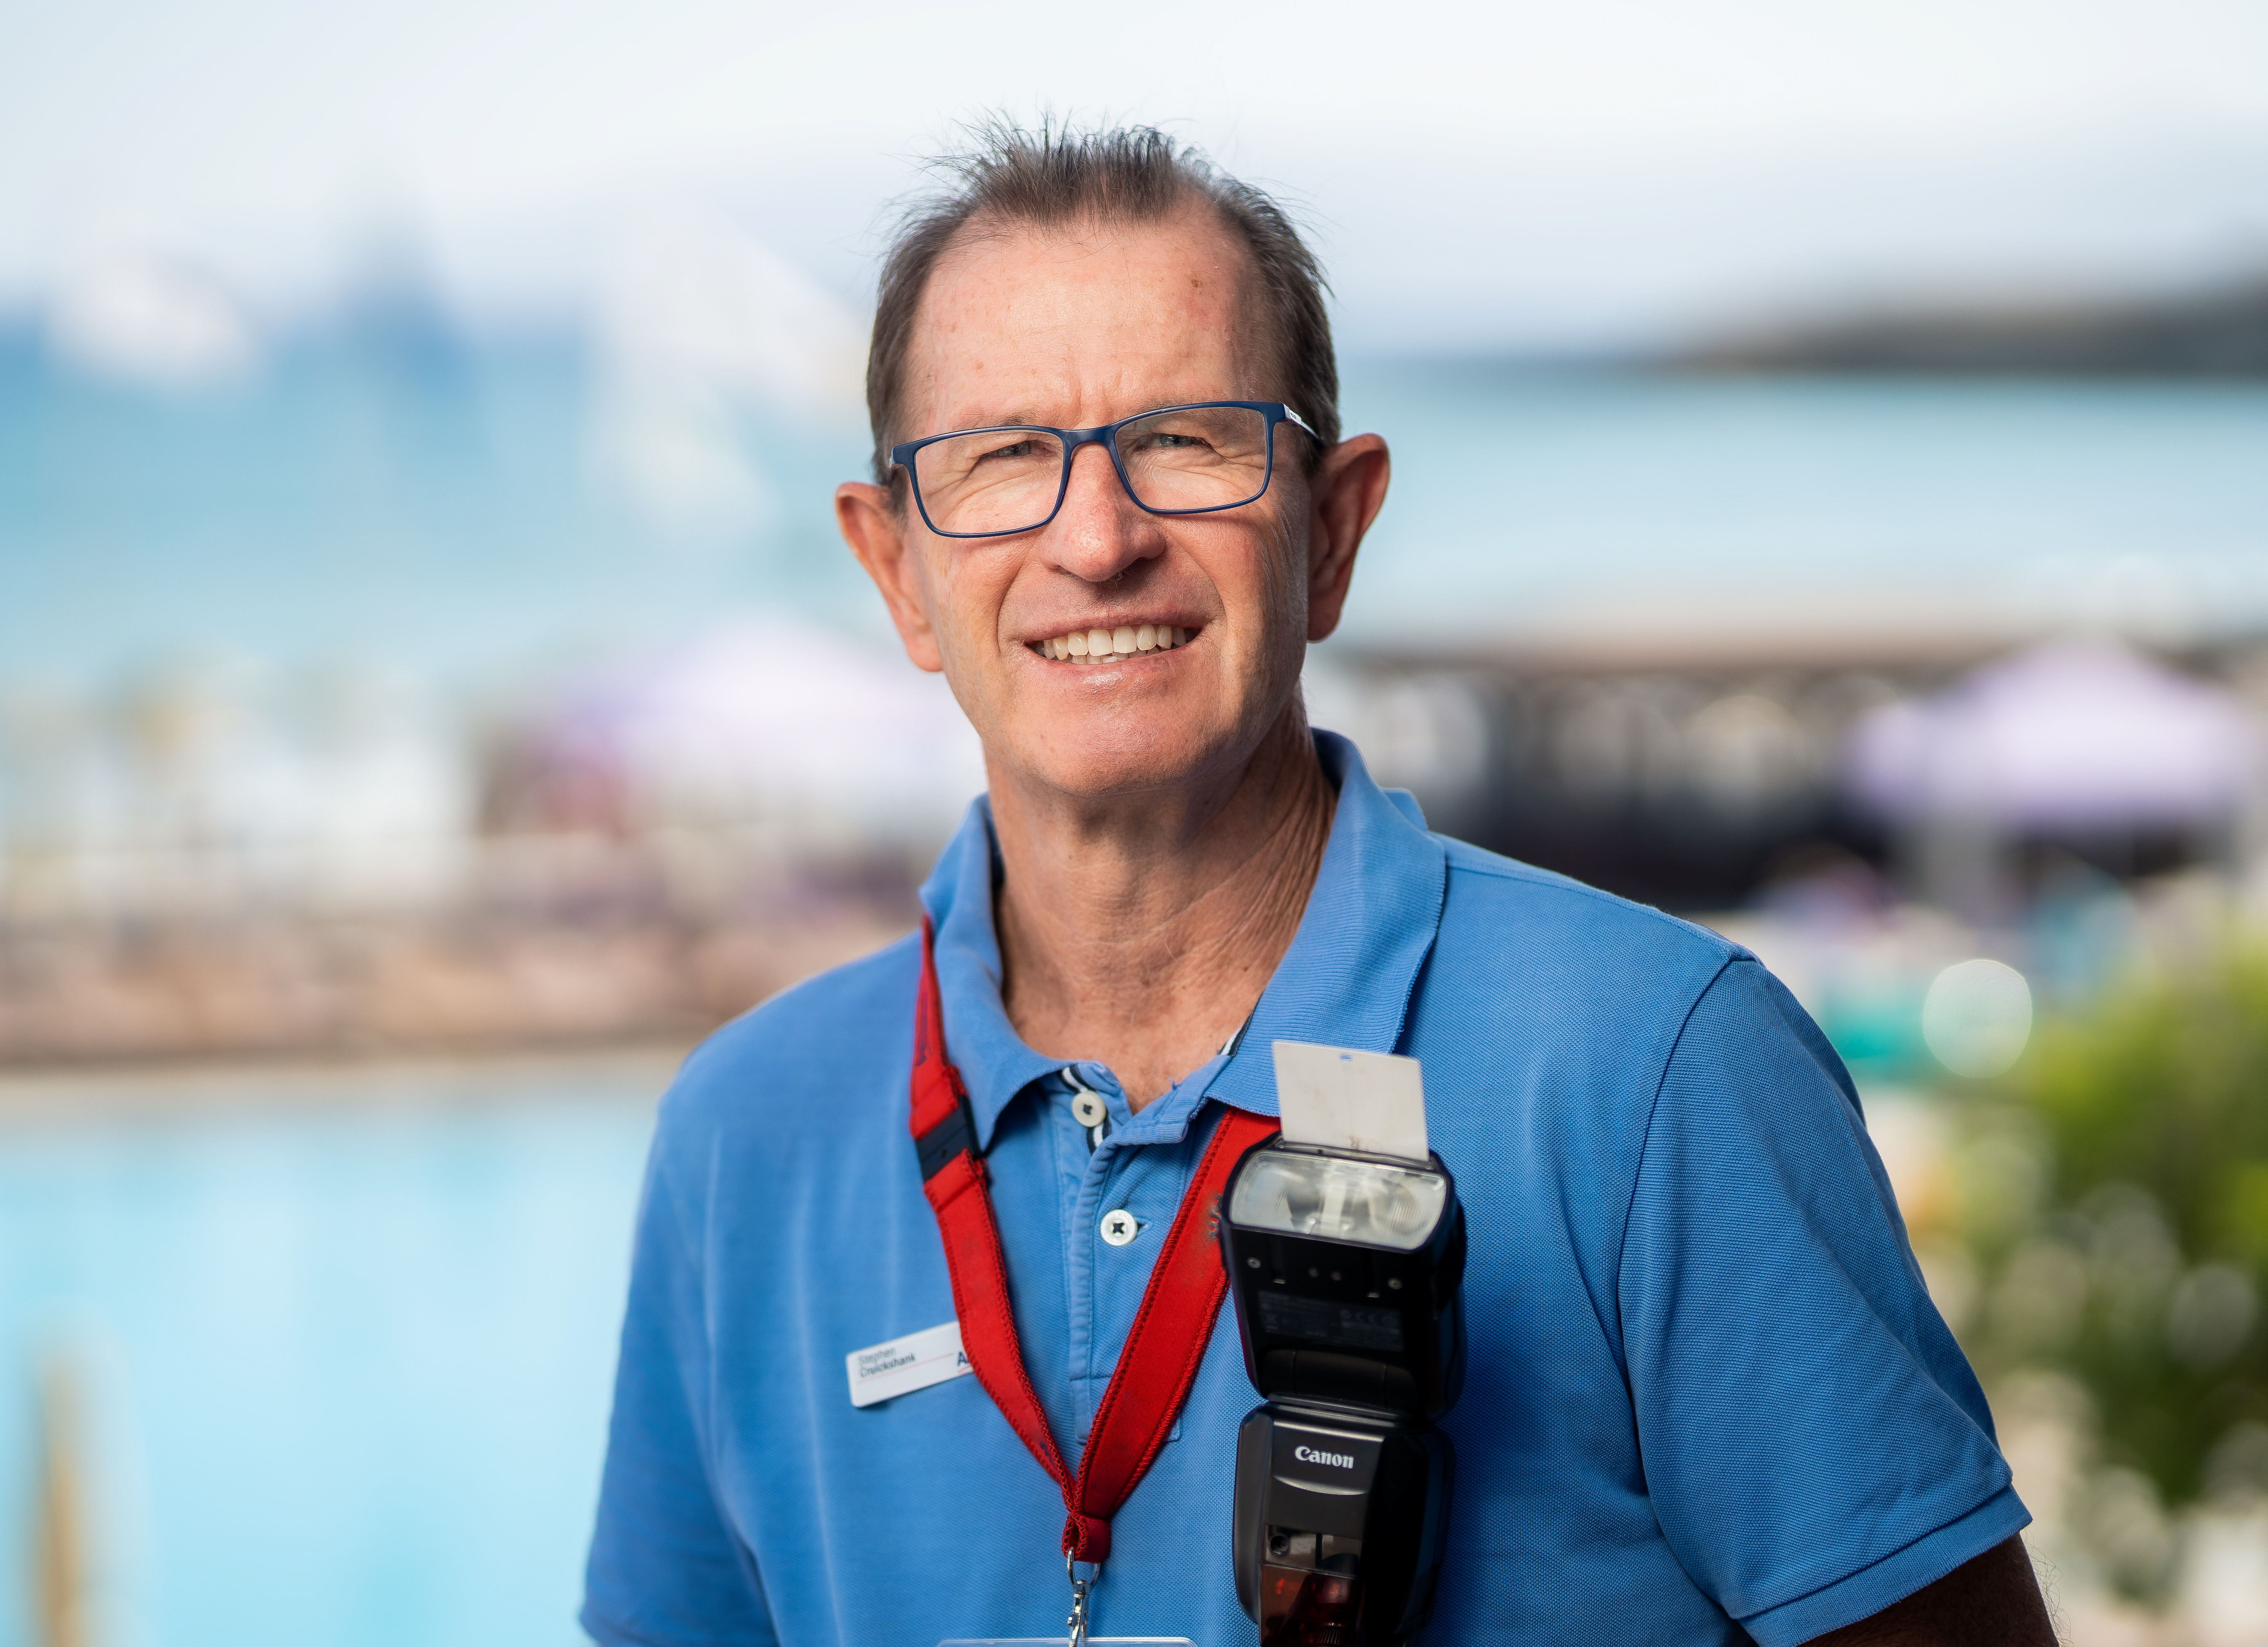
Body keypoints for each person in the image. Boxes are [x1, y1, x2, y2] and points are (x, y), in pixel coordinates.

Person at [582, 123, 2055, 1647]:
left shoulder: (1650, 1072)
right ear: (894, 570)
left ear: (1334, 532)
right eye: (1004, 456)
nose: (1097, 540)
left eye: (1188, 438)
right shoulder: (744, 1138)